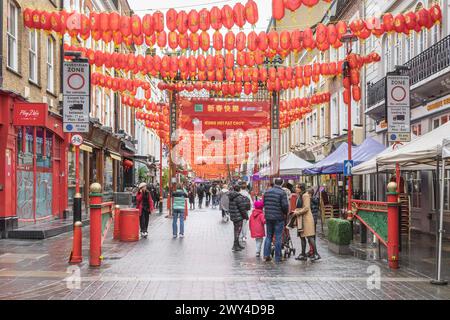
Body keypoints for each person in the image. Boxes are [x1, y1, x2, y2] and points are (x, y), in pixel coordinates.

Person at [263, 178, 289, 263]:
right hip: (278, 217)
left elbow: (264, 204)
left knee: (268, 236)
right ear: (282, 183)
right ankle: (278, 257)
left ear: (274, 183)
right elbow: (285, 206)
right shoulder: (282, 193)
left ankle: (266, 255)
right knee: (278, 237)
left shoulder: (267, 192)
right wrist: (285, 213)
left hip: (268, 217)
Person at [294, 184, 320, 261]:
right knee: (302, 236)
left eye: (297, 187)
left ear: (300, 188)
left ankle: (316, 254)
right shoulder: (299, 195)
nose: (295, 188)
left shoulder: (305, 195)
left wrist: (297, 212)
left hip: (306, 219)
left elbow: (306, 208)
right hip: (301, 218)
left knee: (309, 236)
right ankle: (303, 254)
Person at [228, 185, 248, 252]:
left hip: (234, 216)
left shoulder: (231, 196)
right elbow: (242, 208)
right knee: (237, 231)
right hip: (238, 216)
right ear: (239, 190)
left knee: (236, 230)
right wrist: (246, 216)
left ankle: (237, 244)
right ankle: (235, 246)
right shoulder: (239, 197)